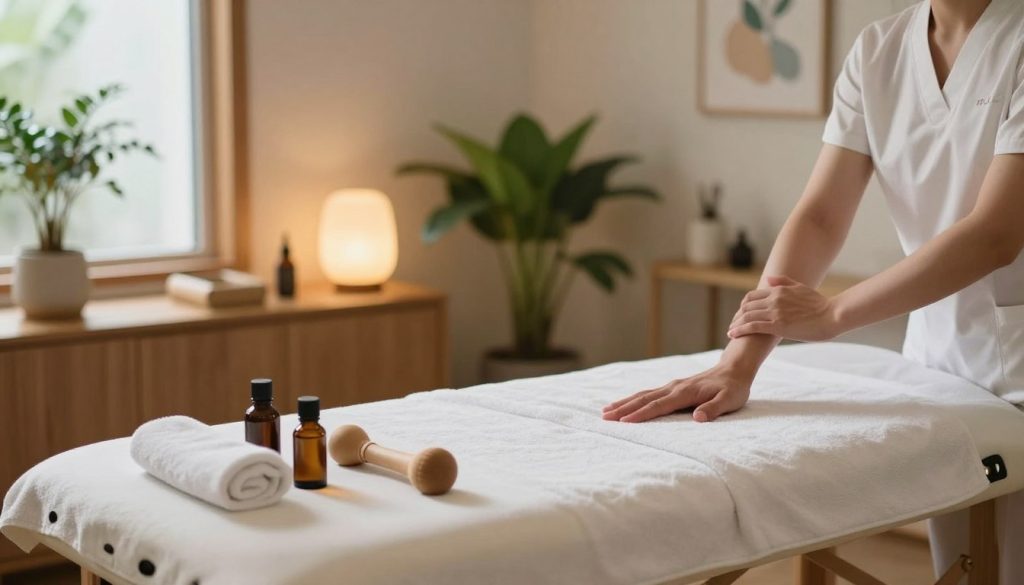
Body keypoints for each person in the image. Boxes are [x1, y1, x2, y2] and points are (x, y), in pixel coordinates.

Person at [602, 0, 1024, 581]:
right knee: (966, 566)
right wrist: (739, 362)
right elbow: (821, 216)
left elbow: (996, 233)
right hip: (942, 369)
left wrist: (833, 315)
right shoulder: (878, 50)